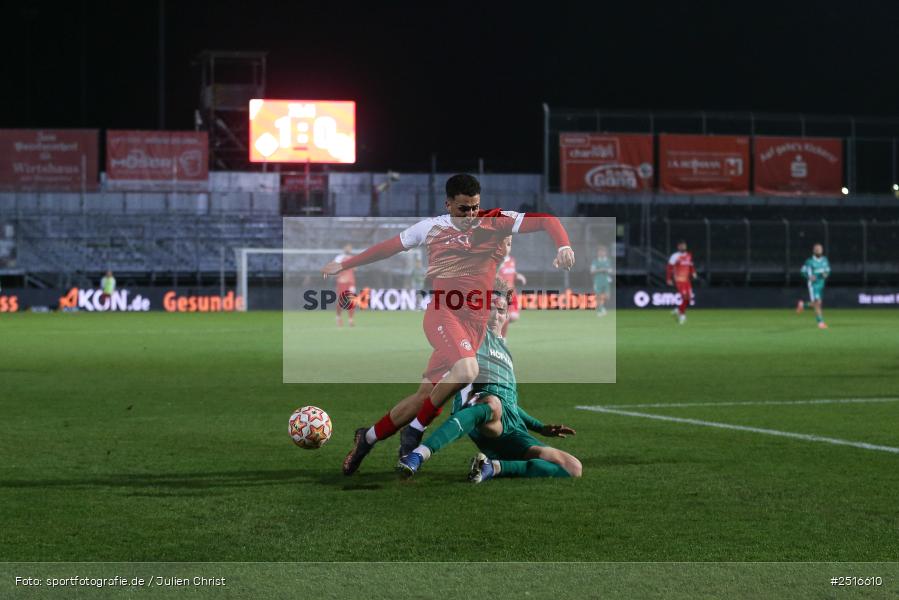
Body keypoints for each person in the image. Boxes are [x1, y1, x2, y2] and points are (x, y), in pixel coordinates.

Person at [321, 173, 575, 475]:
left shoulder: (494, 221)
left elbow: (546, 220)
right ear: (448, 205)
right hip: (444, 314)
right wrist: (345, 264)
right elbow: (389, 246)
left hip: (474, 327)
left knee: (424, 397)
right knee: (467, 370)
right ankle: (415, 431)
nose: (470, 214)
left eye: (475, 207)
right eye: (463, 209)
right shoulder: (432, 228)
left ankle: (368, 438)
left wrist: (563, 246)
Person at [397, 279, 581, 481]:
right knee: (493, 403)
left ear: (507, 315)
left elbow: (510, 404)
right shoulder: (470, 337)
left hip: (513, 426)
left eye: (501, 311)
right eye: (490, 309)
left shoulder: (507, 354)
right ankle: (419, 455)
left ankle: (493, 467)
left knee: (573, 467)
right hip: (480, 412)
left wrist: (540, 427)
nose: (495, 315)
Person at [496, 236, 527, 336]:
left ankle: (498, 329)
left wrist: (518, 276)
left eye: (509, 245)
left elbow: (511, 273)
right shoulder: (496, 261)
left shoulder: (512, 260)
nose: (507, 248)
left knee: (514, 316)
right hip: (500, 294)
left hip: (512, 293)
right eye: (504, 245)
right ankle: (501, 338)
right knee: (505, 316)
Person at [796, 243, 830, 329]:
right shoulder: (809, 261)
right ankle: (820, 323)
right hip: (813, 285)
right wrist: (809, 277)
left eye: (820, 249)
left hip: (821, 284)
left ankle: (802, 305)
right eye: (817, 249)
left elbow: (828, 270)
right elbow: (802, 272)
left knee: (817, 303)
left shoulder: (825, 260)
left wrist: (826, 274)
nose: (818, 250)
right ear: (814, 251)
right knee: (817, 303)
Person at [666, 240, 697, 325]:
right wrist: (668, 279)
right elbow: (669, 268)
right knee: (685, 297)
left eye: (684, 245)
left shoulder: (689, 255)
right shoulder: (675, 256)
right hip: (679, 280)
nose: (683, 247)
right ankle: (682, 315)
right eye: (682, 246)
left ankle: (678, 310)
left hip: (687, 280)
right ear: (678, 247)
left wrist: (693, 272)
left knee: (689, 299)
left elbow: (691, 265)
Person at [333, 244, 357, 327]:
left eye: (350, 248)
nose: (349, 249)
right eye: (347, 248)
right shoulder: (339, 258)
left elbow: (355, 269)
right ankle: (338, 317)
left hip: (350, 282)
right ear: (344, 248)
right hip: (342, 282)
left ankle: (351, 320)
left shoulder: (353, 258)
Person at [590, 245, 613, 317]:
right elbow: (592, 271)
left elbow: (611, 270)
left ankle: (601, 308)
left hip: (606, 280)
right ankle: (601, 310)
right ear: (598, 253)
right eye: (600, 252)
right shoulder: (595, 261)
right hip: (598, 281)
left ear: (605, 253)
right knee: (598, 296)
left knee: (607, 296)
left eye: (603, 252)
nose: (601, 253)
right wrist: (601, 270)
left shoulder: (608, 261)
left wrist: (608, 270)